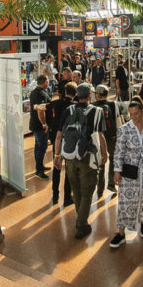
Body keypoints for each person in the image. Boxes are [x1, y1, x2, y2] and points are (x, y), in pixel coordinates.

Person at [53, 83, 107, 240]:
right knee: (88, 191)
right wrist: (105, 154)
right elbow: (100, 136)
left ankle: (81, 219)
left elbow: (59, 135)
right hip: (88, 157)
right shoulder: (97, 111)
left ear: (77, 95)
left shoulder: (68, 110)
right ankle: (81, 224)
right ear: (90, 95)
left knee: (76, 190)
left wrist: (57, 156)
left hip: (70, 157)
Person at [109, 100, 143, 248]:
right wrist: (117, 171)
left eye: (136, 114)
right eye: (131, 114)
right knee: (126, 201)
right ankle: (121, 233)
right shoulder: (124, 129)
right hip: (130, 171)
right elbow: (119, 151)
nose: (133, 117)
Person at [49, 82, 76, 206]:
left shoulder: (55, 103)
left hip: (57, 139)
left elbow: (49, 117)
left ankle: (55, 195)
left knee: (56, 166)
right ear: (75, 93)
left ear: (65, 91)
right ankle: (67, 198)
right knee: (69, 169)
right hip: (69, 141)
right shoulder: (75, 106)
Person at [92, 84, 121, 197]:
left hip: (98, 137)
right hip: (112, 136)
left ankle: (100, 188)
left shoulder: (92, 105)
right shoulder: (113, 104)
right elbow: (118, 119)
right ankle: (112, 183)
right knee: (113, 158)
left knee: (101, 160)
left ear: (97, 94)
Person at [29, 75, 52, 179]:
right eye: (47, 81)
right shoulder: (41, 94)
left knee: (38, 147)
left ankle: (40, 166)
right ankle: (39, 170)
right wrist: (44, 124)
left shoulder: (34, 92)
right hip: (40, 126)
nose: (48, 83)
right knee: (41, 148)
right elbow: (40, 111)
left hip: (35, 124)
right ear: (45, 82)